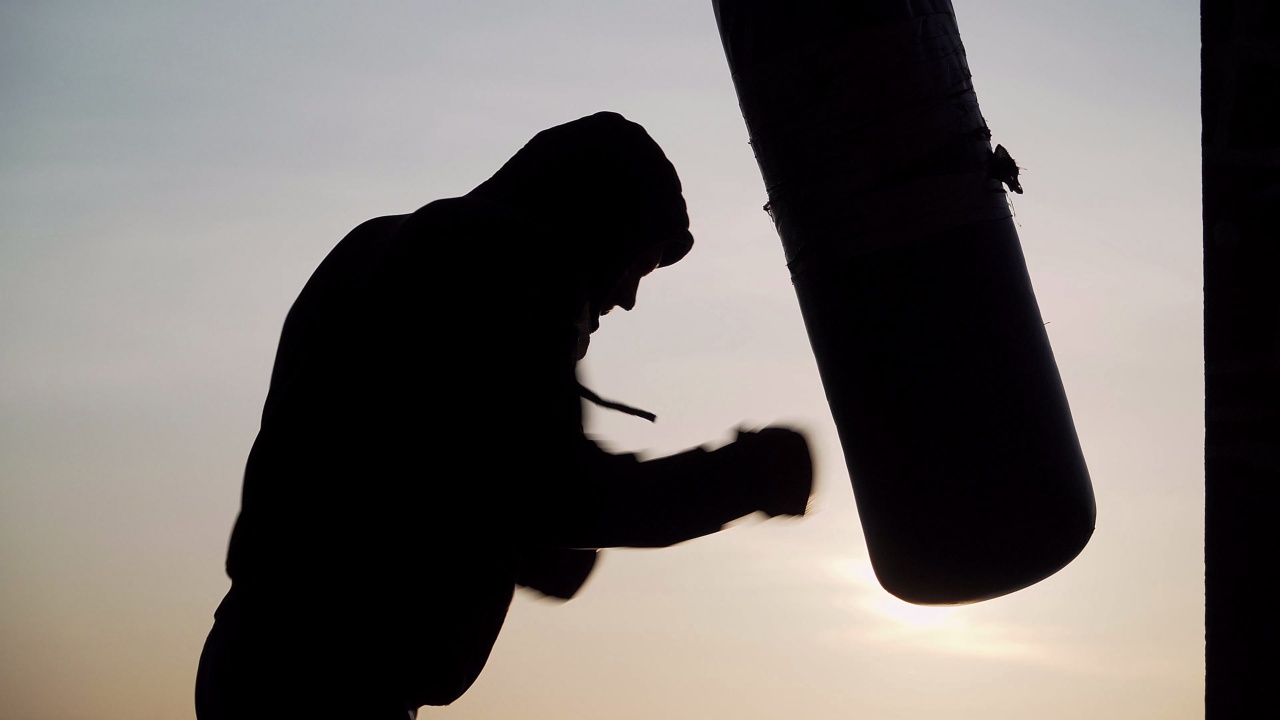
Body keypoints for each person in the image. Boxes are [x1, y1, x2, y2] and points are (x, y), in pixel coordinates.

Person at [195, 111, 814, 719]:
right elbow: (561, 492)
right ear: (597, 222)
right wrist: (746, 477)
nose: (627, 297)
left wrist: (514, 544)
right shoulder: (508, 262)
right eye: (637, 266)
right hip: (333, 680)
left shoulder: (380, 247)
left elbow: (410, 462)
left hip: (253, 656)